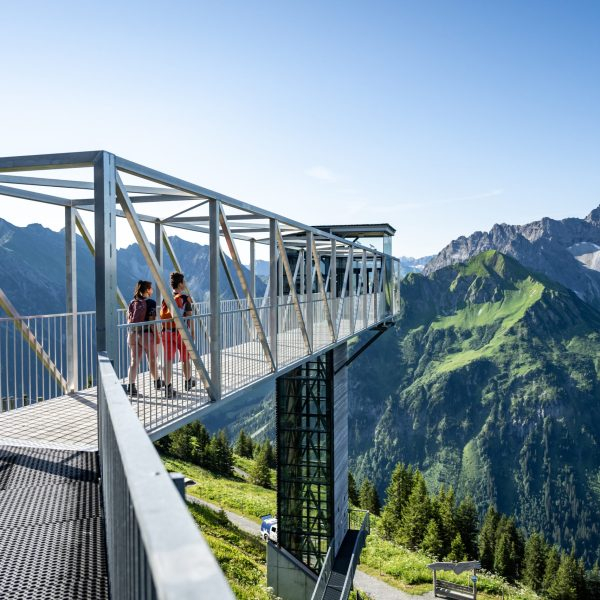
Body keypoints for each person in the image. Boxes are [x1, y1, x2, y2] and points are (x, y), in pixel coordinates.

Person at [160, 272, 196, 398]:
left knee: (168, 360)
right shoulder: (185, 298)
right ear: (180, 284)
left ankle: (168, 388)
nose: (185, 284)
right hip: (181, 333)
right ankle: (188, 382)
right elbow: (189, 317)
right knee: (185, 358)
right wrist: (192, 333)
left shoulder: (166, 297)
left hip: (166, 332)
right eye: (184, 282)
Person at [126, 280, 161, 396]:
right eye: (151, 288)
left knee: (134, 360)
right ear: (147, 290)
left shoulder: (132, 302)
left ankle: (131, 386)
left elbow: (128, 319)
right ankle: (157, 381)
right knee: (151, 360)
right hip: (146, 335)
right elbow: (152, 321)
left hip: (133, 334)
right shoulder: (151, 302)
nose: (152, 290)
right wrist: (156, 336)